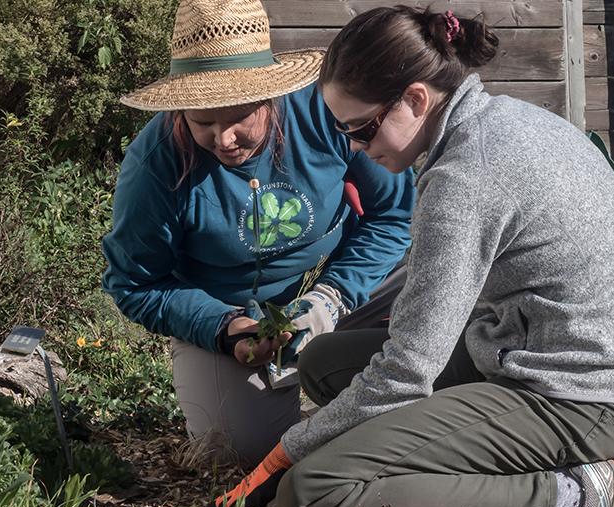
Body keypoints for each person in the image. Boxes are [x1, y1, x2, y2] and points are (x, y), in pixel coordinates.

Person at [212, 7, 614, 507]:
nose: (355, 147)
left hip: (578, 396)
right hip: (530, 353)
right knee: (328, 364)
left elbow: (406, 371)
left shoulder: (464, 175)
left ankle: (572, 499)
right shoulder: (498, 120)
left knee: (313, 494)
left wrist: (281, 457)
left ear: (416, 100)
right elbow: (412, 353)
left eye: (362, 129)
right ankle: (499, 501)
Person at [102, 0, 415, 470]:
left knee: (439, 275)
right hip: (231, 315)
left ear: (271, 97)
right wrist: (225, 328)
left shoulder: (326, 113)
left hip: (343, 286)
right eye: (201, 122)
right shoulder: (156, 165)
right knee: (240, 452)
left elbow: (394, 216)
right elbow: (136, 283)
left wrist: (332, 296)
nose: (223, 139)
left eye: (237, 118)